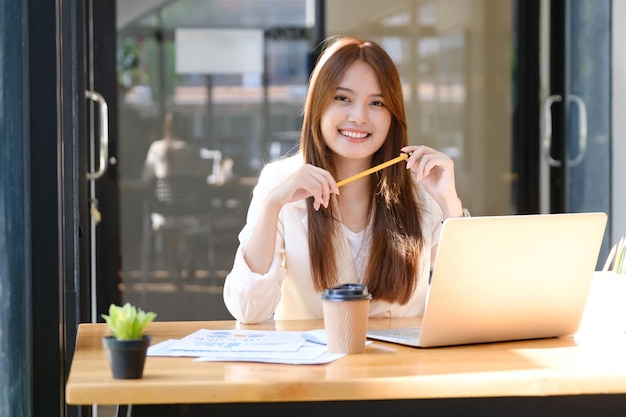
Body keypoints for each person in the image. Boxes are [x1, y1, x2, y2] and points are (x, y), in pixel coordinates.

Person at [223, 36, 468, 324]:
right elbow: (248, 311)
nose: (359, 117)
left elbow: (470, 301)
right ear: (318, 105)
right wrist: (272, 205)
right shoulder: (281, 182)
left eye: (377, 103)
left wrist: (449, 204)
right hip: (312, 367)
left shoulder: (421, 187)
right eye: (343, 98)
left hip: (401, 366)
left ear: (393, 116)